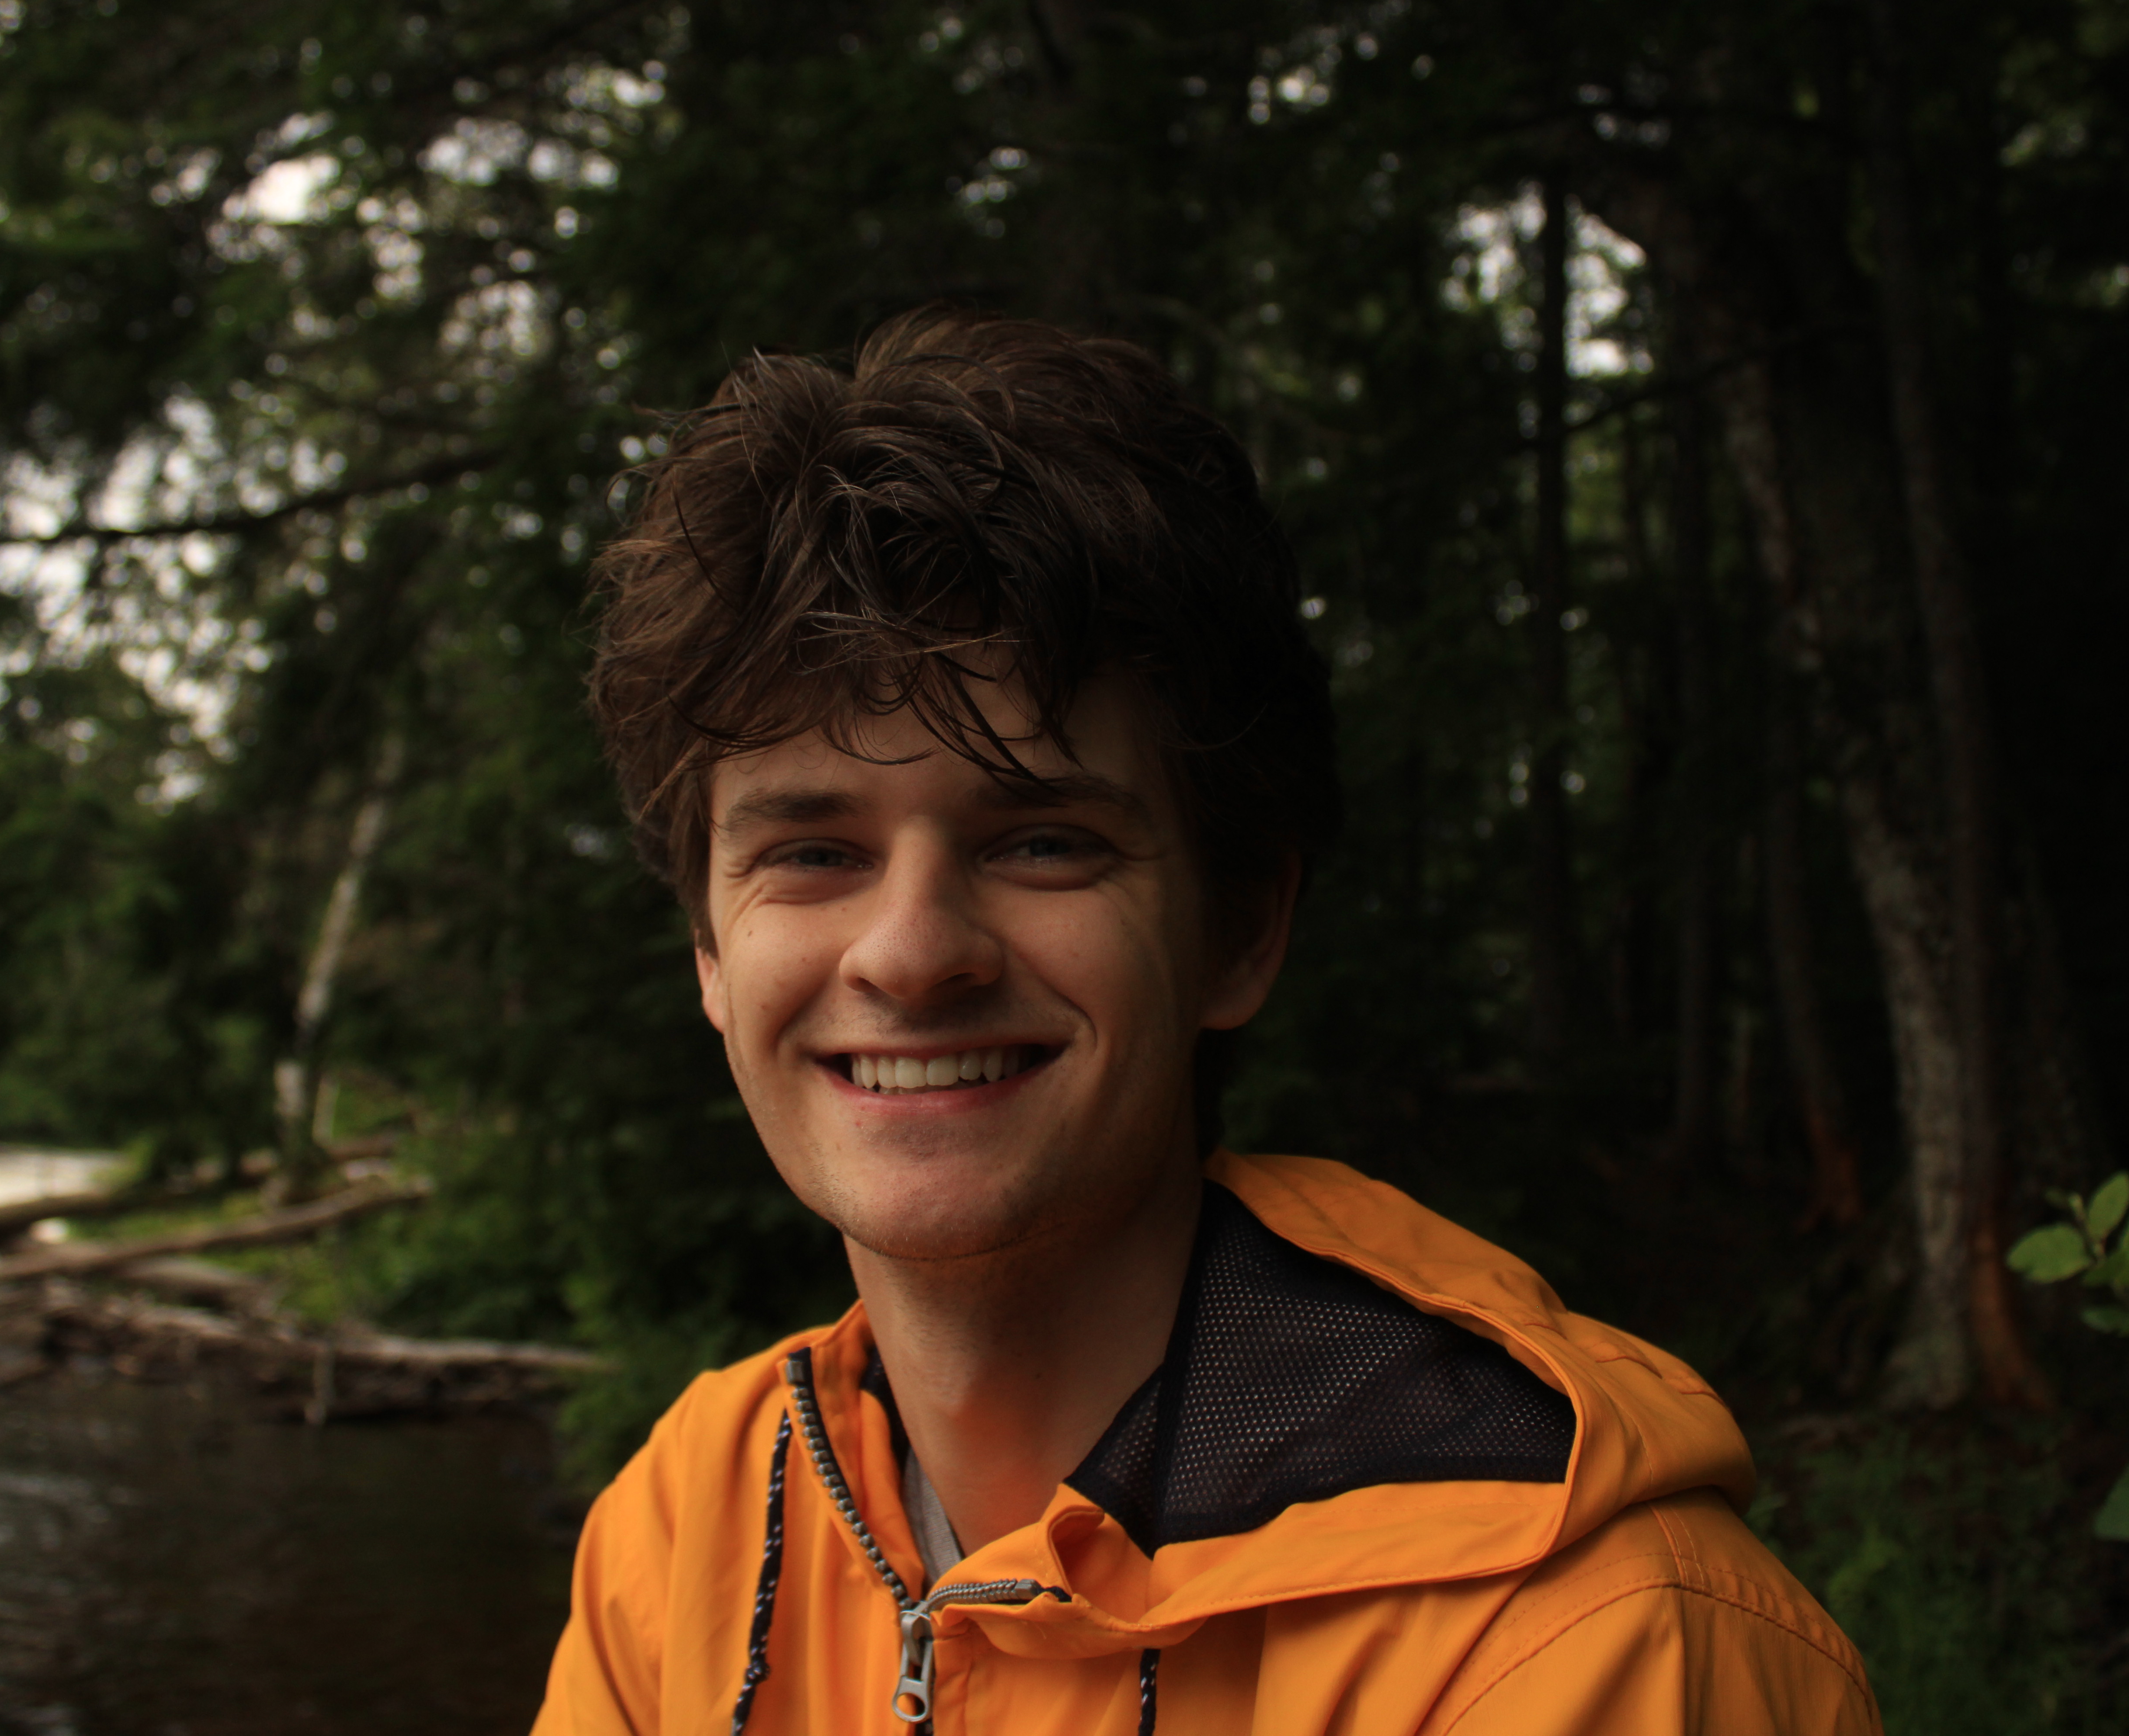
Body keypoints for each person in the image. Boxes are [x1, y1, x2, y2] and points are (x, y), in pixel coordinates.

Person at [532, 307, 1878, 1736]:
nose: (914, 953)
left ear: (1240, 931)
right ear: (710, 956)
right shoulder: (688, 1538)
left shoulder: (1578, 1645)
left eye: (1042, 841)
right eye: (812, 852)